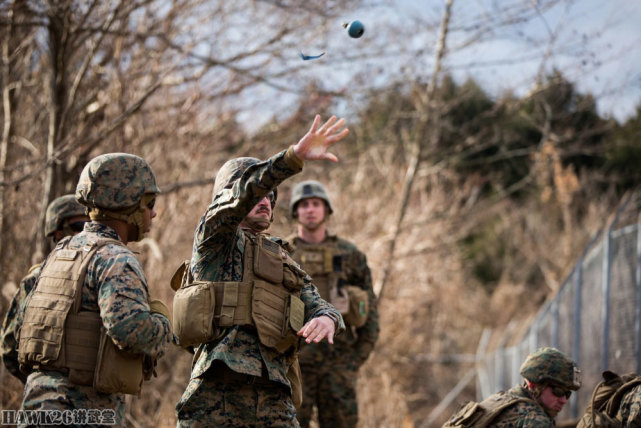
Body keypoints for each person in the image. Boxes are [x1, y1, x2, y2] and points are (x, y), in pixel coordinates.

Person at [174, 115, 349, 427]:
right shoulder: (215, 240)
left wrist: (327, 318)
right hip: (216, 391)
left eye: (271, 197)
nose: (266, 200)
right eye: (259, 194)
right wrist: (291, 158)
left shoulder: (282, 258)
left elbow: (316, 302)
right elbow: (240, 197)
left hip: (273, 395)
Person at [18, 153, 174, 426]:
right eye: (149, 203)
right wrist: (162, 323)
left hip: (36, 406)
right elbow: (129, 330)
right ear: (129, 206)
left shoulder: (59, 254)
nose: (154, 212)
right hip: (81, 411)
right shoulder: (116, 258)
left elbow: (19, 333)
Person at [286, 180, 379, 428]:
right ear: (296, 211)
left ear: (326, 210)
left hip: (339, 363)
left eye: (316, 203)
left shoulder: (350, 254)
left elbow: (371, 310)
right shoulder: (282, 253)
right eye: (304, 204)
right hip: (295, 363)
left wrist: (355, 360)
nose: (310, 209)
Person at [1, 194, 89, 383]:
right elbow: (9, 347)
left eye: (90, 226)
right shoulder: (35, 280)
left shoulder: (100, 275)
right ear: (57, 232)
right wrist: (44, 381)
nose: (86, 233)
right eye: (79, 227)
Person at [443, 347, 581, 427]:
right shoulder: (534, 419)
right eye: (558, 391)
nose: (563, 400)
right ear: (533, 384)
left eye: (567, 394)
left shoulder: (501, 400)